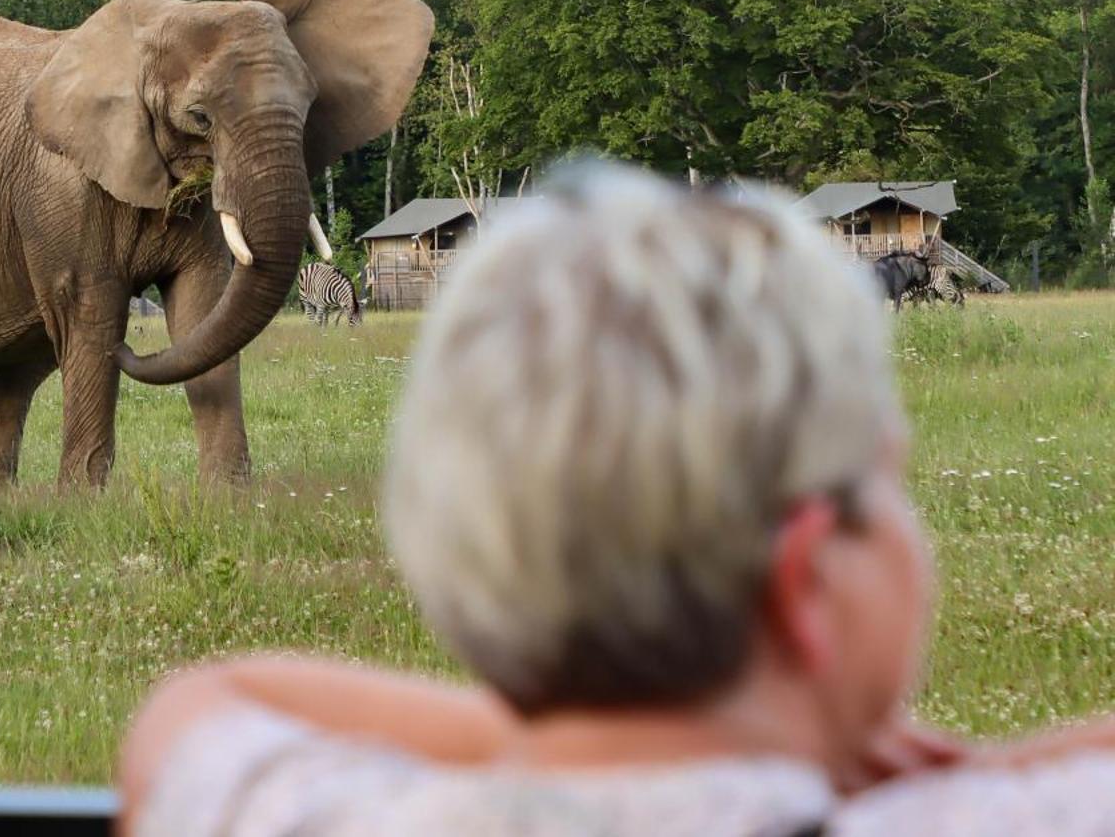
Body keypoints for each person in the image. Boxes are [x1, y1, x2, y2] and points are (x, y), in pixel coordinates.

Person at [121, 164, 1115, 836]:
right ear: (806, 576)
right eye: (883, 483)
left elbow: (198, 702)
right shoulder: (979, 821)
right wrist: (938, 764)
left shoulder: (326, 814)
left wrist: (544, 726)